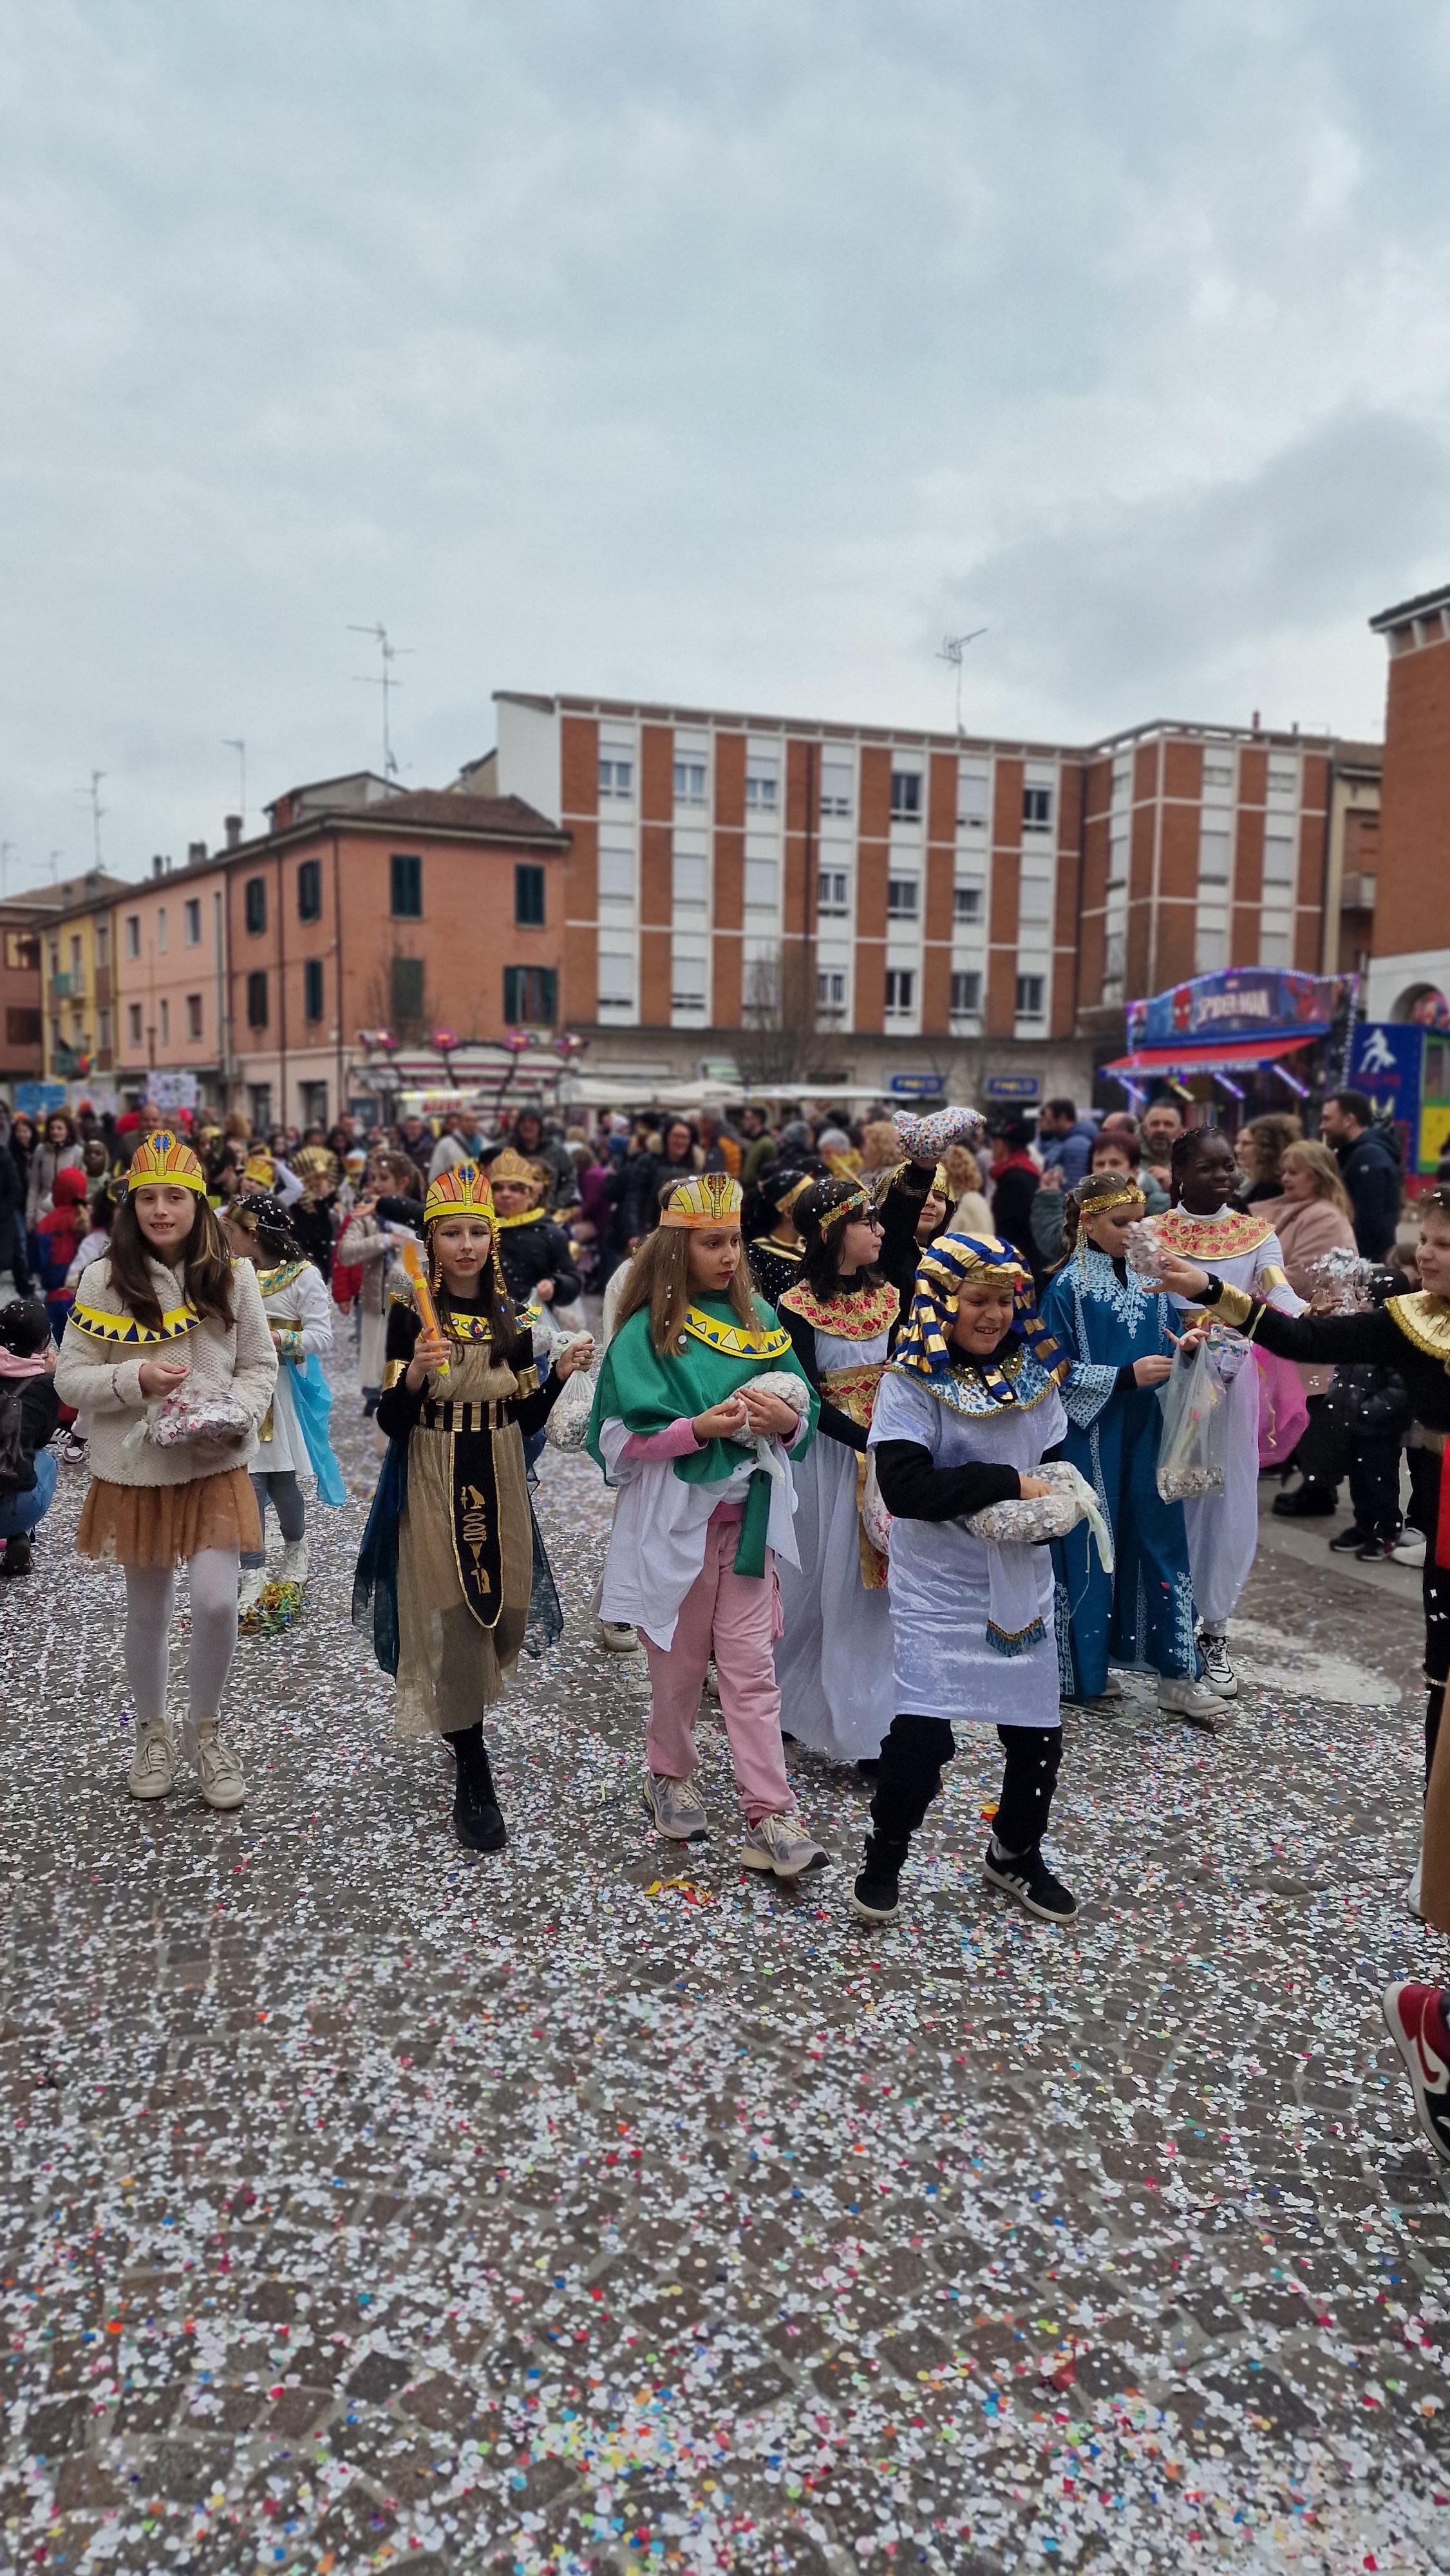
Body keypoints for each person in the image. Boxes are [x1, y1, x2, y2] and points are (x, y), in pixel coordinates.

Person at [1154, 1192, 1450, 1938]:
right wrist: (1210, 1289)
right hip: (1448, 1532)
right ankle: (1441, 1856)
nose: (1425, 1253)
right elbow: (1298, 1337)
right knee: (1443, 1688)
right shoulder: (1412, 1319)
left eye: (1444, 1244)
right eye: (1425, 1238)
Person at [586, 1171, 828, 1879]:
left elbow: (801, 1411)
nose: (729, 1256)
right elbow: (618, 1437)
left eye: (734, 1242)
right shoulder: (646, 1332)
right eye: (712, 1243)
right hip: (677, 1531)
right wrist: (697, 1429)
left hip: (749, 1526)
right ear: (676, 1249)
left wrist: (786, 1421)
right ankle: (668, 1772)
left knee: (752, 1672)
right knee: (681, 1669)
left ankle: (770, 1813)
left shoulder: (761, 1322)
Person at [353, 1160, 589, 1852]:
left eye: (477, 1233)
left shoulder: (513, 1317)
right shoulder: (409, 1313)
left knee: (504, 1608)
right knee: (456, 1612)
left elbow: (527, 1416)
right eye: (451, 1233)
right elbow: (391, 1421)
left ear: (493, 1238)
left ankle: (463, 1724)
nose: (466, 1246)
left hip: (500, 1469)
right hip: (433, 1467)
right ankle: (473, 1766)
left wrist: (559, 1376)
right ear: (431, 1240)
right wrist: (416, 1376)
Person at [852, 1233, 1079, 1929]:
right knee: (922, 1737)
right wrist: (1007, 1481)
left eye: (1004, 1301)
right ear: (941, 1303)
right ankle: (884, 1859)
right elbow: (906, 1487)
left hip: (1018, 1578)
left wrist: (1059, 1507)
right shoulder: (910, 1381)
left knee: (1036, 1736)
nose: (992, 1315)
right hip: (939, 1584)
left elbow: (1053, 1464)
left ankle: (1015, 1852)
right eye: (977, 1300)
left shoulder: (1035, 1375)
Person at [53, 1129, 278, 1810]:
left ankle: (205, 1731)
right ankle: (152, 1733)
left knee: (215, 1601)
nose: (161, 1210)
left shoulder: (234, 1275)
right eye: (148, 1197)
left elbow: (259, 1363)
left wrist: (236, 1411)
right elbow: (69, 1377)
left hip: (214, 1463)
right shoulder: (103, 1279)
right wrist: (135, 1379)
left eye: (175, 1197)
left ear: (198, 1204)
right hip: (138, 1470)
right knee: (148, 1609)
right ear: (131, 1206)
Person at [1039, 1174, 1225, 1727]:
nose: (1134, 1232)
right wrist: (1123, 1376)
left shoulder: (1153, 1281)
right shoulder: (1065, 1289)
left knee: (1161, 1539)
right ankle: (1083, 1673)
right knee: (1093, 1543)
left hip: (1148, 1432)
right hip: (1090, 1437)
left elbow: (1166, 1342)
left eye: (1140, 1222)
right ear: (1087, 1223)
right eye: (1121, 1223)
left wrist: (1186, 1350)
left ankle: (1179, 1674)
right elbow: (1048, 1372)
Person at [773, 1160, 937, 1768]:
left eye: (876, 1218)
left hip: (883, 1454)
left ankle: (869, 1729)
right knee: (813, 1584)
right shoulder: (794, 1306)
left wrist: (897, 1436)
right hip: (829, 1459)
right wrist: (866, 1439)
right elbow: (806, 1396)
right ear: (830, 1233)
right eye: (866, 1221)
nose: (879, 1230)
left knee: (870, 1594)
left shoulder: (890, 1295)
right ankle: (786, 1704)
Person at [1151, 1126, 1303, 1700]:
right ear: (1179, 1175)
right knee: (1172, 1499)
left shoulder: (1257, 1234)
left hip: (1233, 1383)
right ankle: (1167, 1629)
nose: (1224, 1176)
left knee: (1229, 1501)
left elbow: (1279, 1295)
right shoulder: (1150, 1233)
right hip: (1168, 1379)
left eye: (1229, 1166)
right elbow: (1140, 1303)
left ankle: (1215, 1630)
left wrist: (1316, 1316)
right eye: (1209, 1167)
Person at [225, 1192, 346, 1626]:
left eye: (232, 1230)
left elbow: (322, 1336)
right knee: (249, 1485)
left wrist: (274, 1338)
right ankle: (252, 1571)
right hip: (241, 1391)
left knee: (281, 1483)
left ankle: (296, 1551)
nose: (226, 1237)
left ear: (253, 1233)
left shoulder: (304, 1276)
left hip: (283, 1393)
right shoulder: (230, 1272)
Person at [1263, 1142, 1362, 1521]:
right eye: (1284, 1171)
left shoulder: (1324, 1217)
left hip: (1321, 1323)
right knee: (1311, 1404)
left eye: (1296, 1171)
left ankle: (1319, 1488)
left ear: (1318, 1176)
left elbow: (1303, 1273)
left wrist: (1256, 1281)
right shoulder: (1302, 1211)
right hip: (1308, 1322)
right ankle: (1313, 1481)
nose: (1286, 1178)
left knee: (1319, 1407)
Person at [335, 1150, 426, 1410]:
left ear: (403, 1181)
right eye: (373, 1177)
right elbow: (346, 1252)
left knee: (409, 1352)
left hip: (413, 1301)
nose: (376, 1184)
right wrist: (385, 1240)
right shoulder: (366, 1215)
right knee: (375, 1355)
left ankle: (409, 1393)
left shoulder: (419, 1214)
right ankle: (376, 1398)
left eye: (383, 1178)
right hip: (376, 1299)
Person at [1031, 1126, 1151, 1272]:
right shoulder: (1077, 1204)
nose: (1106, 1169)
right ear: (1087, 1221)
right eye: (1100, 1164)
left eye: (1115, 1163)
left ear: (1134, 1168)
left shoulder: (1157, 1203)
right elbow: (1055, 1243)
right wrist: (1048, 1198)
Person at [0, 1296, 61, 1578]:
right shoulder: (43, 1384)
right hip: (13, 1509)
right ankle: (20, 1535)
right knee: (44, 1458)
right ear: (43, 1342)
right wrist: (50, 1378)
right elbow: (41, 1438)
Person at [485, 1148, 583, 1312]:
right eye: (498, 1188)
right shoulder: (482, 1230)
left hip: (535, 1320)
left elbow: (572, 1281)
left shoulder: (550, 1233)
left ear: (531, 1195)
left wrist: (554, 1285)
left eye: (515, 1188)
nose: (505, 1194)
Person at [1321, 1090, 1401, 1261]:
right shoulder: (1354, 1155)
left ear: (1349, 1120)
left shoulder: (1368, 1158)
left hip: (1367, 1263)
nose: (1322, 1127)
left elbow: (1369, 1222)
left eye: (1327, 1119)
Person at [745, 1167, 818, 1306]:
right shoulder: (756, 1256)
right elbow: (754, 1309)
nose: (818, 1208)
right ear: (789, 1211)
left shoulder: (813, 1247)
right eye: (810, 1202)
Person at [986, 1119, 1040, 1264]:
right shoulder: (1023, 1172)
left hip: (1018, 1262)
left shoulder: (1014, 1180)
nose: (991, 1147)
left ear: (1001, 1145)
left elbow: (1007, 1229)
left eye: (993, 1141)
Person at [24, 1110, 82, 1233]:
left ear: (68, 1131)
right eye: (52, 1128)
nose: (55, 1132)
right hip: (43, 1211)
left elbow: (82, 1187)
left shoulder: (77, 1152)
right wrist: (30, 1216)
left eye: (60, 1128)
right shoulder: (41, 1150)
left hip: (68, 1213)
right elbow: (34, 1186)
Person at [1236, 1113, 1303, 1207]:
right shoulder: (1254, 1185)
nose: (1237, 1149)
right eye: (1238, 1143)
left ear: (1266, 1149)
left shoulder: (1272, 1191)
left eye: (1246, 1144)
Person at [1037, 1099, 1097, 1189]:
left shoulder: (1076, 1146)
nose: (1049, 1126)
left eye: (1050, 1122)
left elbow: (1075, 1184)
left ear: (1063, 1118)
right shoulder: (1065, 1142)